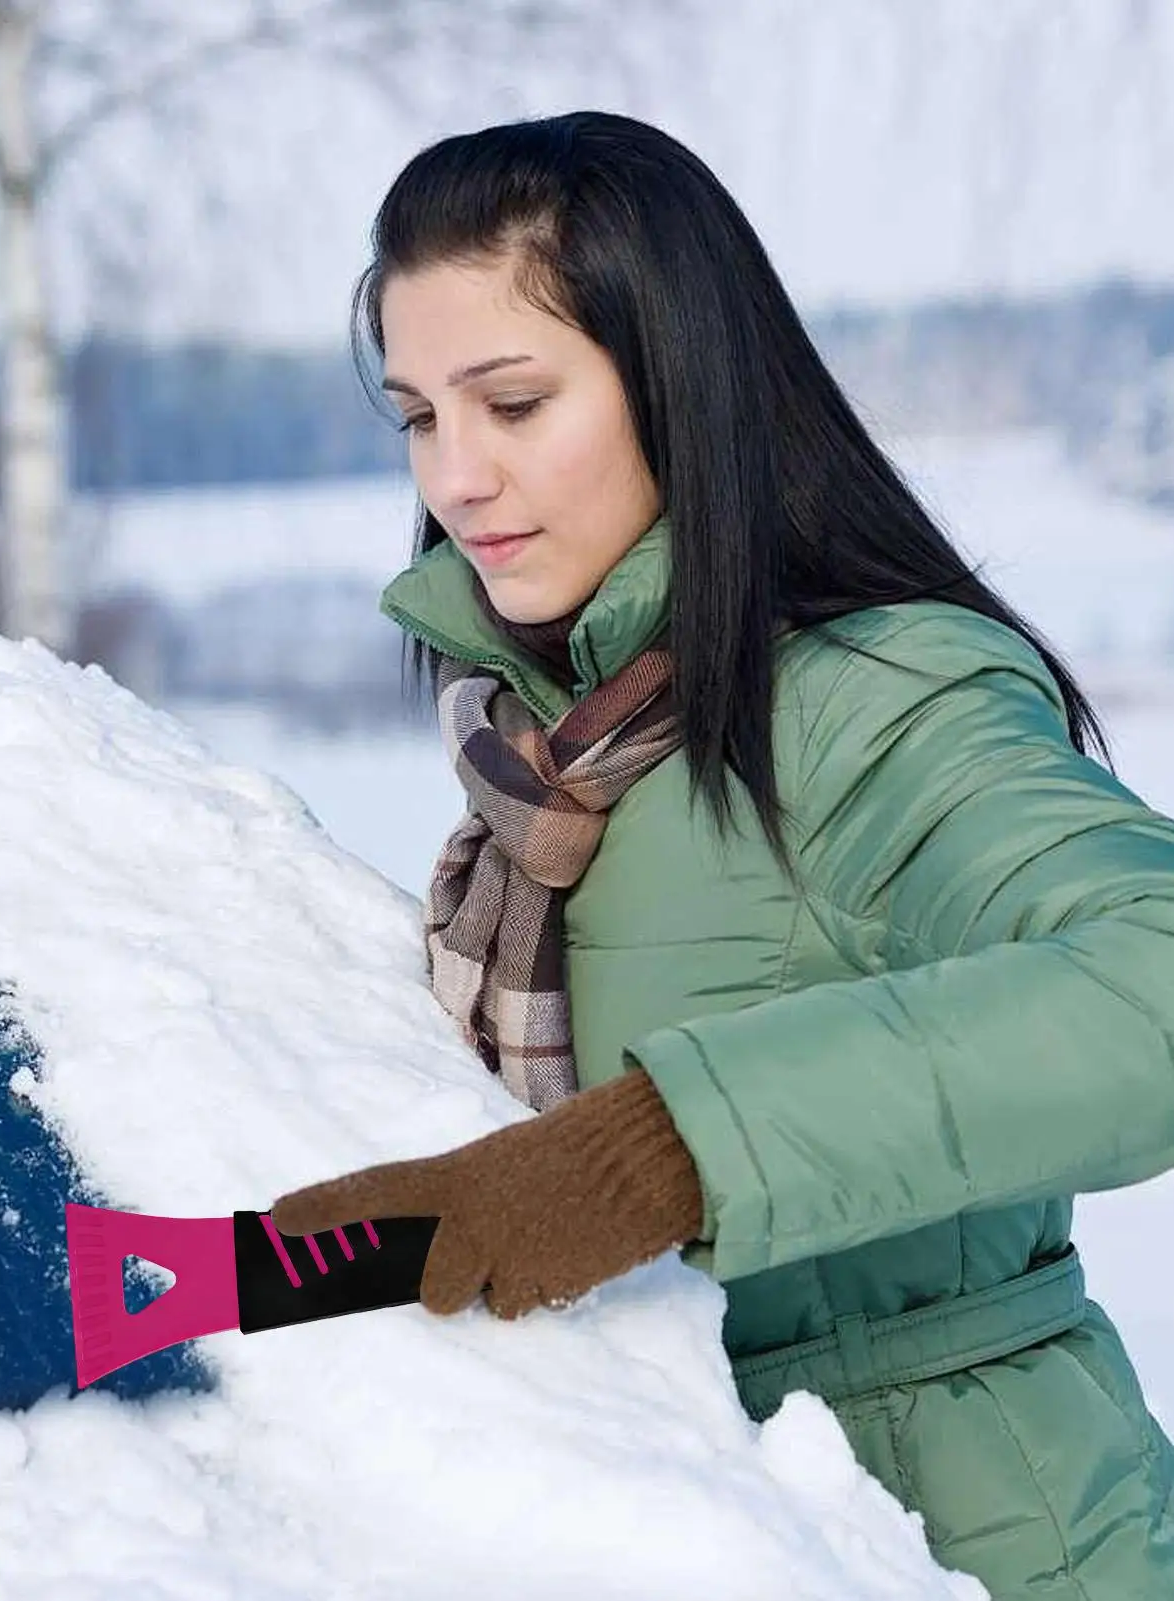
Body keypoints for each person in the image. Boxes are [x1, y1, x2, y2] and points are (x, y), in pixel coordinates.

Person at [269, 112, 1174, 1598]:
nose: (459, 479)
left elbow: (1155, 981)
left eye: (513, 402)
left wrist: (665, 1153)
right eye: (421, 415)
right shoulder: (541, 756)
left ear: (680, 385)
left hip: (968, 1545)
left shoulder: (864, 703)